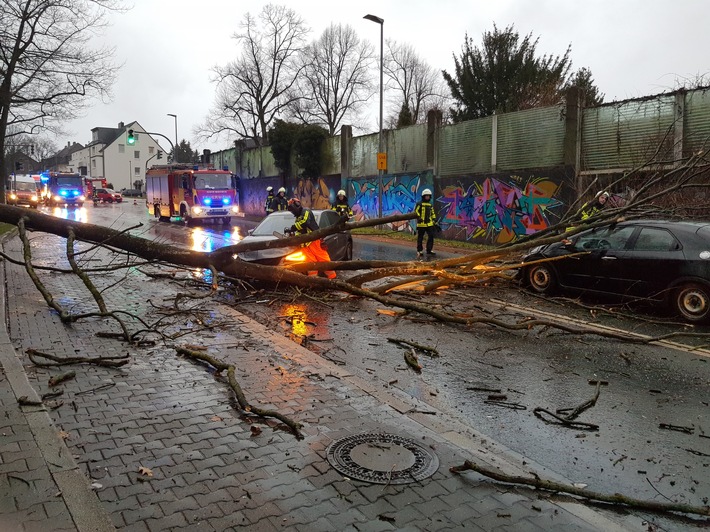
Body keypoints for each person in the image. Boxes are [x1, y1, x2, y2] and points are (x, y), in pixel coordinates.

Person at [286, 198, 336, 279]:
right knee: (310, 263)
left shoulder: (306, 211)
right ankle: (312, 280)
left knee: (323, 260)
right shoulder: (298, 218)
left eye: (292, 209)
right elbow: (300, 231)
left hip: (314, 240)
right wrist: (294, 236)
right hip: (305, 244)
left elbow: (305, 222)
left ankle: (332, 278)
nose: (292, 211)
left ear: (296, 205)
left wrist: (293, 228)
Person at [414, 188, 438, 257]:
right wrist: (419, 218)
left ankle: (429, 250)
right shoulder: (419, 204)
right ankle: (419, 250)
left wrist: (434, 220)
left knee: (431, 236)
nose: (427, 197)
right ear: (423, 196)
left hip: (429, 224)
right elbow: (416, 212)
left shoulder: (430, 205)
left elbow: (432, 213)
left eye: (428, 196)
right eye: (426, 196)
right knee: (420, 237)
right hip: (421, 224)